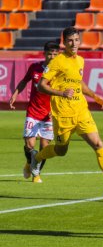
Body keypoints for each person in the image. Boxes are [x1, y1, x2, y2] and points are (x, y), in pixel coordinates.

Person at [30, 27, 103, 198]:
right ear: (64, 42)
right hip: (62, 113)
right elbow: (41, 85)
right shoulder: (56, 62)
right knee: (61, 150)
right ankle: (38, 157)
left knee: (98, 144)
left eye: (76, 40)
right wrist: (61, 93)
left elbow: (79, 83)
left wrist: (94, 96)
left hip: (81, 110)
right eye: (70, 40)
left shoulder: (80, 60)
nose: (74, 43)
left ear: (80, 41)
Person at [9, 41, 60, 183]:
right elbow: (24, 81)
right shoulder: (35, 67)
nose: (52, 57)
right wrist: (15, 94)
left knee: (45, 149)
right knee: (29, 146)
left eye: (55, 54)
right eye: (49, 54)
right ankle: (29, 164)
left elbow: (62, 93)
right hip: (33, 112)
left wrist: (55, 109)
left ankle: (36, 172)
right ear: (44, 54)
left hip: (49, 116)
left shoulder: (59, 73)